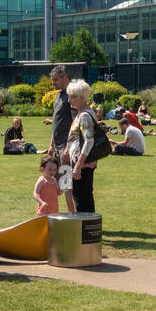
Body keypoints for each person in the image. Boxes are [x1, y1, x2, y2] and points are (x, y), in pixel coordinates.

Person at [65, 79, 101, 213]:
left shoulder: (84, 115)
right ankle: (90, 228)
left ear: (81, 98)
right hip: (86, 163)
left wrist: (78, 166)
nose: (69, 100)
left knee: (80, 197)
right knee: (86, 196)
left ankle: (83, 229)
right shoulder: (85, 113)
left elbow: (89, 141)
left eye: (71, 97)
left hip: (83, 164)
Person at [48, 64, 76, 212]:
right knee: (62, 184)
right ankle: (71, 214)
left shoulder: (72, 95)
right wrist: (51, 145)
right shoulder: (59, 96)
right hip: (57, 146)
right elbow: (56, 122)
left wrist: (67, 147)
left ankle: (74, 215)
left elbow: (74, 124)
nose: (53, 83)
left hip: (66, 147)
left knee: (67, 184)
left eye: (55, 79)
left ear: (65, 77)